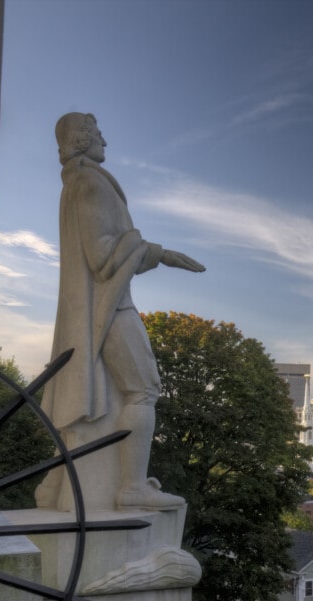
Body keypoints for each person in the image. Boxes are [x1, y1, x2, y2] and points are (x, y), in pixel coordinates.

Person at [39, 112, 204, 509]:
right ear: (81, 139)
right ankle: (131, 487)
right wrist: (157, 252)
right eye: (97, 134)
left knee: (90, 402)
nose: (104, 142)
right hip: (110, 307)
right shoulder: (90, 183)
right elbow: (103, 257)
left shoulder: (77, 183)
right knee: (143, 390)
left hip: (94, 307)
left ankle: (54, 484)